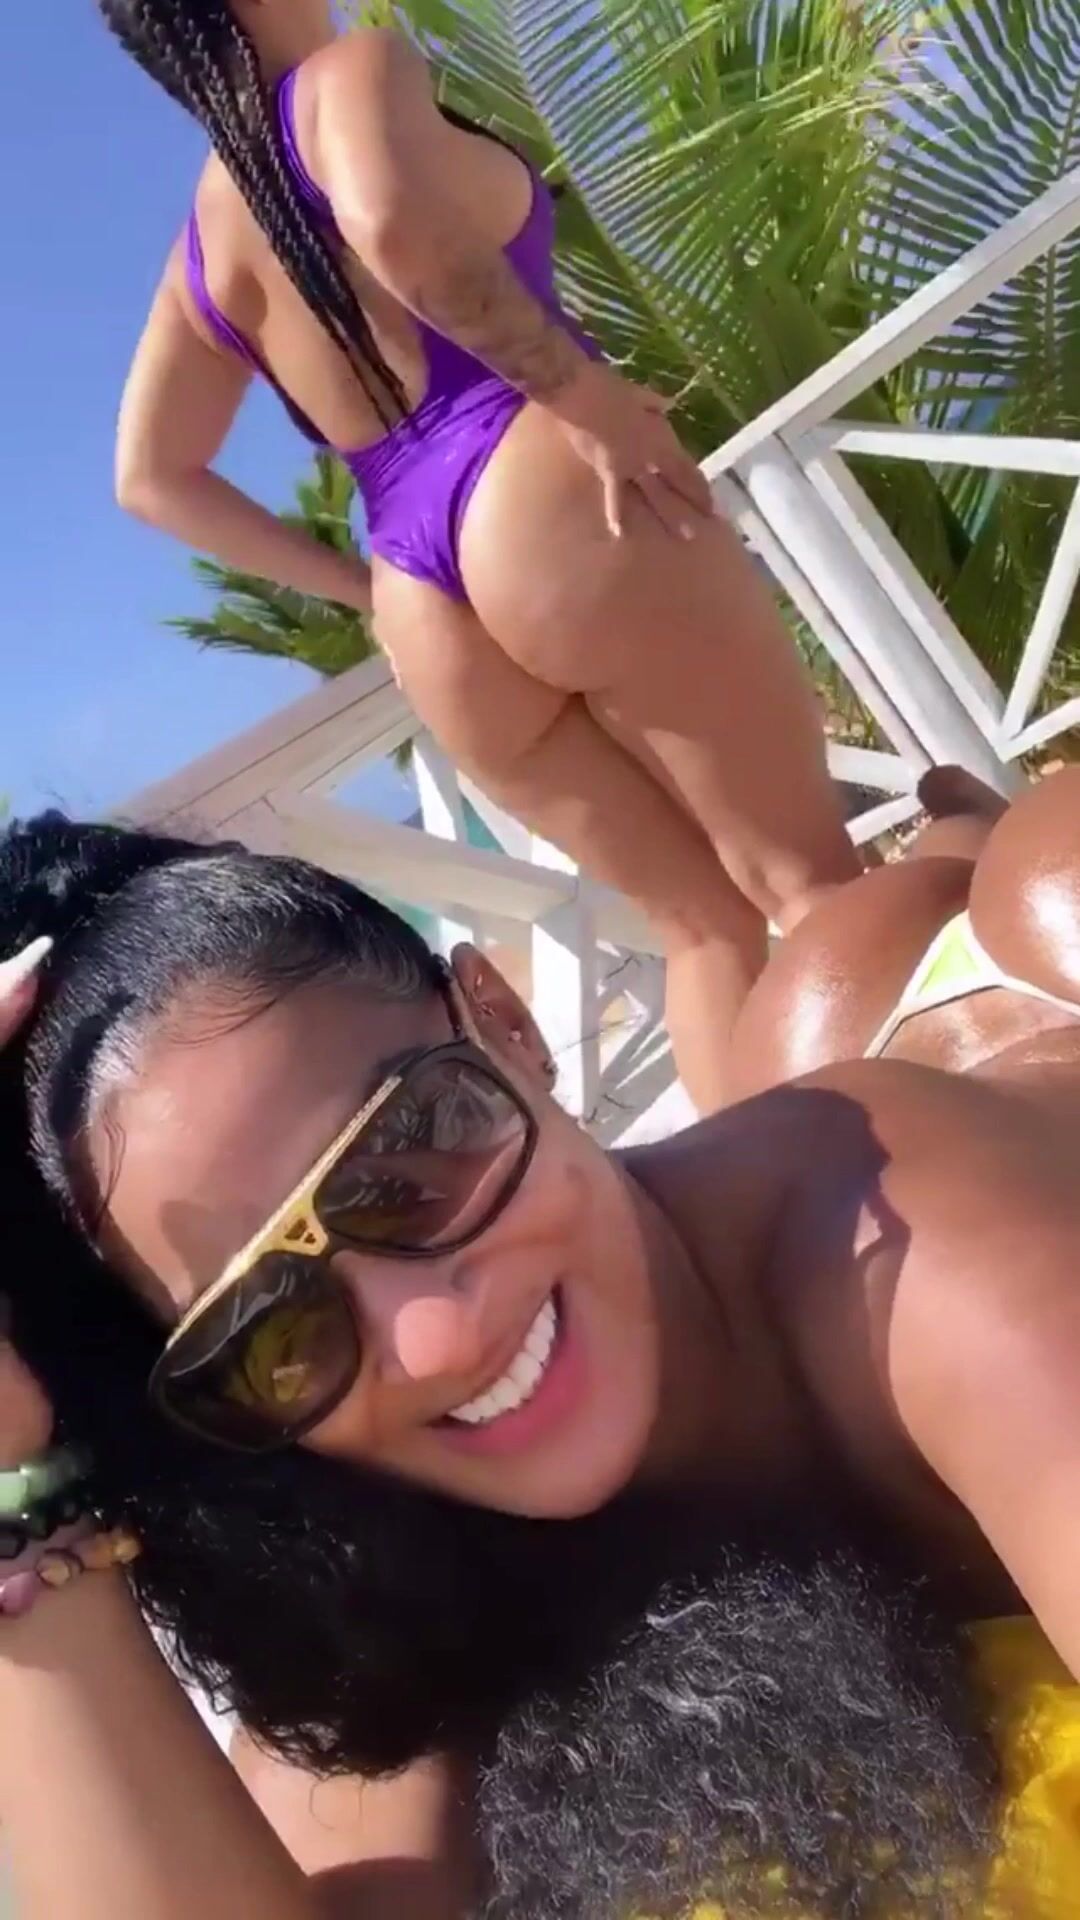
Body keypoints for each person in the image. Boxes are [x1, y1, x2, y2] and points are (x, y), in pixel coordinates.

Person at [1, 768, 1079, 1918]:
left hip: (1027, 986)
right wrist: (16, 1481)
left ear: (507, 1025)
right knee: (825, 980)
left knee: (997, 874)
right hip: (816, 1034)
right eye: (267, 1327)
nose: (430, 1342)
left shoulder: (935, 1265)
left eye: (407, 1159)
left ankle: (960, 820)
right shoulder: (388, 1516)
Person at [96, 0, 858, 1112]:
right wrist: (583, 392)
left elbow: (150, 477)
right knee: (810, 883)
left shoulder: (203, 246)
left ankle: (766, 1214)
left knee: (704, 930)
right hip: (543, 489)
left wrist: (361, 589)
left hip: (422, 595)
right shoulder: (350, 75)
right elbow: (394, 226)